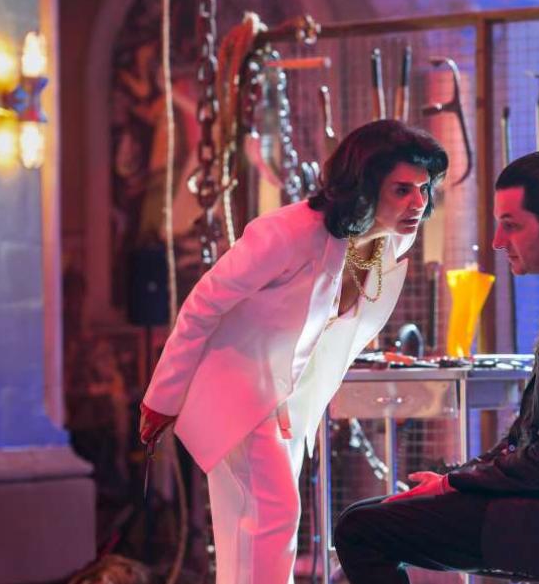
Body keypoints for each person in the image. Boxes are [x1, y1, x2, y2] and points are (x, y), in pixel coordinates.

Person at [138, 119, 448, 584]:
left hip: (287, 401)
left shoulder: (386, 238)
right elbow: (203, 305)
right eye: (402, 189)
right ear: (365, 185)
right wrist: (162, 398)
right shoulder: (288, 232)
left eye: (423, 189)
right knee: (273, 518)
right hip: (240, 392)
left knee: (256, 530)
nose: (418, 203)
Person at [333, 150, 539, 584]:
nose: (497, 241)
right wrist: (456, 478)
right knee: (367, 517)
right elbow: (530, 439)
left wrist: (456, 484)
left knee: (359, 530)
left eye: (511, 225)